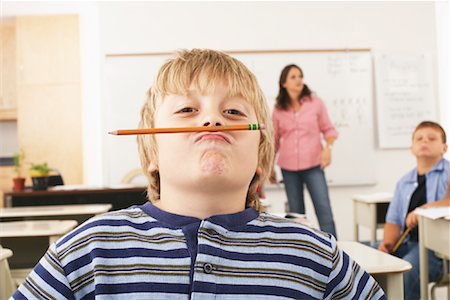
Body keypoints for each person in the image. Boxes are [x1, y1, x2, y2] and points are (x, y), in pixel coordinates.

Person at [13, 49, 384, 299]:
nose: (212, 119)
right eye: (188, 109)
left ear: (261, 159)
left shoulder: (315, 255)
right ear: (153, 151)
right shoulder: (86, 250)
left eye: (235, 113)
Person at [378, 121, 449, 300]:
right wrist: (386, 244)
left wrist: (422, 210)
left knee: (406, 269)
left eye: (432, 138)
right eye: (419, 138)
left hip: (437, 252)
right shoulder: (404, 182)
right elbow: (393, 220)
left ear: (444, 148)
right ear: (412, 148)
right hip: (407, 243)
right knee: (364, 258)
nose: (425, 141)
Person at [271, 64, 338, 237]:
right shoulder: (278, 109)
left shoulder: (315, 103)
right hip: (288, 168)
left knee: (324, 211)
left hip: (314, 164)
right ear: (284, 83)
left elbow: (329, 130)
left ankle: (335, 253)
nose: (299, 80)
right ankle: (301, 253)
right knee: (297, 215)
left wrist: (328, 148)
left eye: (300, 76)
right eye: (293, 77)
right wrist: (269, 166)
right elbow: (274, 141)